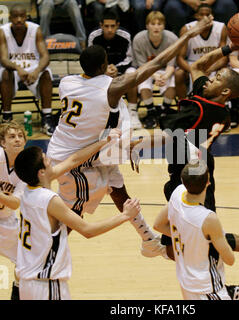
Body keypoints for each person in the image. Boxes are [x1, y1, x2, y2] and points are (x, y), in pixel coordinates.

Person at [46, 15, 214, 259]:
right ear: (104, 66)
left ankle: (149, 241)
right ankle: (46, 254)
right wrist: (188, 35)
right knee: (73, 216)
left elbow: (101, 96)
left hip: (85, 151)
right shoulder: (110, 88)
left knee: (116, 187)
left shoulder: (68, 82)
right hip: (74, 162)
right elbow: (156, 64)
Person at [134, 41, 239, 279]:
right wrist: (230, 47)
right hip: (179, 171)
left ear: (224, 92)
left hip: (196, 179)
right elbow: (198, 65)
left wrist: (135, 143)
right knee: (172, 250)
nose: (210, 78)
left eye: (217, 77)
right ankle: (161, 245)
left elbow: (167, 135)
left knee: (207, 239)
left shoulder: (211, 110)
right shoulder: (205, 94)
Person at [14, 129, 142, 300]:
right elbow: (87, 230)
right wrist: (125, 215)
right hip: (45, 284)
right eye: (46, 160)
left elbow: (74, 159)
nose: (50, 159)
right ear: (41, 173)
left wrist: (104, 141)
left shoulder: (28, 192)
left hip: (26, 281)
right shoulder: (49, 200)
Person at [154, 160, 235, 300]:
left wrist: (188, 237)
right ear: (208, 183)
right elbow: (230, 259)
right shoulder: (208, 219)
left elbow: (158, 225)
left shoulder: (176, 194)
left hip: (185, 281)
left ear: (183, 181)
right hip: (208, 287)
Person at [0, 5, 55, 136]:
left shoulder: (35, 29)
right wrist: (18, 68)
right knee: (5, 73)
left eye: (21, 16)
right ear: (10, 18)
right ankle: (7, 116)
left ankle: (47, 117)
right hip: (12, 68)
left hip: (32, 66)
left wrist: (36, 71)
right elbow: (3, 59)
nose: (19, 20)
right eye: (15, 17)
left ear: (26, 17)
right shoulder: (3, 31)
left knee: (46, 73)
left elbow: (45, 56)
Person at [88, 10, 141, 130]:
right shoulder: (93, 36)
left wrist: (117, 68)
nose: (110, 29)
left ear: (117, 25)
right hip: (101, 71)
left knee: (133, 73)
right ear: (101, 25)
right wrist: (104, 69)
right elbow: (90, 58)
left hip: (121, 69)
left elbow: (130, 58)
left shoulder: (125, 35)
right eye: (106, 26)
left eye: (112, 26)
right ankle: (98, 114)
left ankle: (132, 111)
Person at [132, 11, 178, 129]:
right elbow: (142, 66)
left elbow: (171, 65)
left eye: (159, 24)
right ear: (147, 26)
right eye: (153, 24)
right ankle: (151, 113)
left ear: (164, 26)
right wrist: (155, 76)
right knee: (142, 81)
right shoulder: (139, 39)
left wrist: (165, 77)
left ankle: (164, 111)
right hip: (147, 70)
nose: (156, 27)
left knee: (173, 81)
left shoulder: (172, 38)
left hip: (165, 70)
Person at [176, 3, 228, 99]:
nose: (205, 17)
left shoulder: (221, 28)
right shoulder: (186, 29)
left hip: (213, 64)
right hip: (192, 64)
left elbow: (224, 58)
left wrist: (210, 69)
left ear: (212, 16)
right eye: (201, 14)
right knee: (179, 74)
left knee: (226, 72)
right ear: (196, 16)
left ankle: (225, 104)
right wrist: (194, 70)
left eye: (207, 14)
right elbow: (179, 58)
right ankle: (184, 105)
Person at [0, 121, 27, 300]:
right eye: (12, 136)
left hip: (6, 221)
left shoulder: (27, 167)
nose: (17, 140)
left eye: (20, 136)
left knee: (25, 264)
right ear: (3, 142)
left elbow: (16, 203)